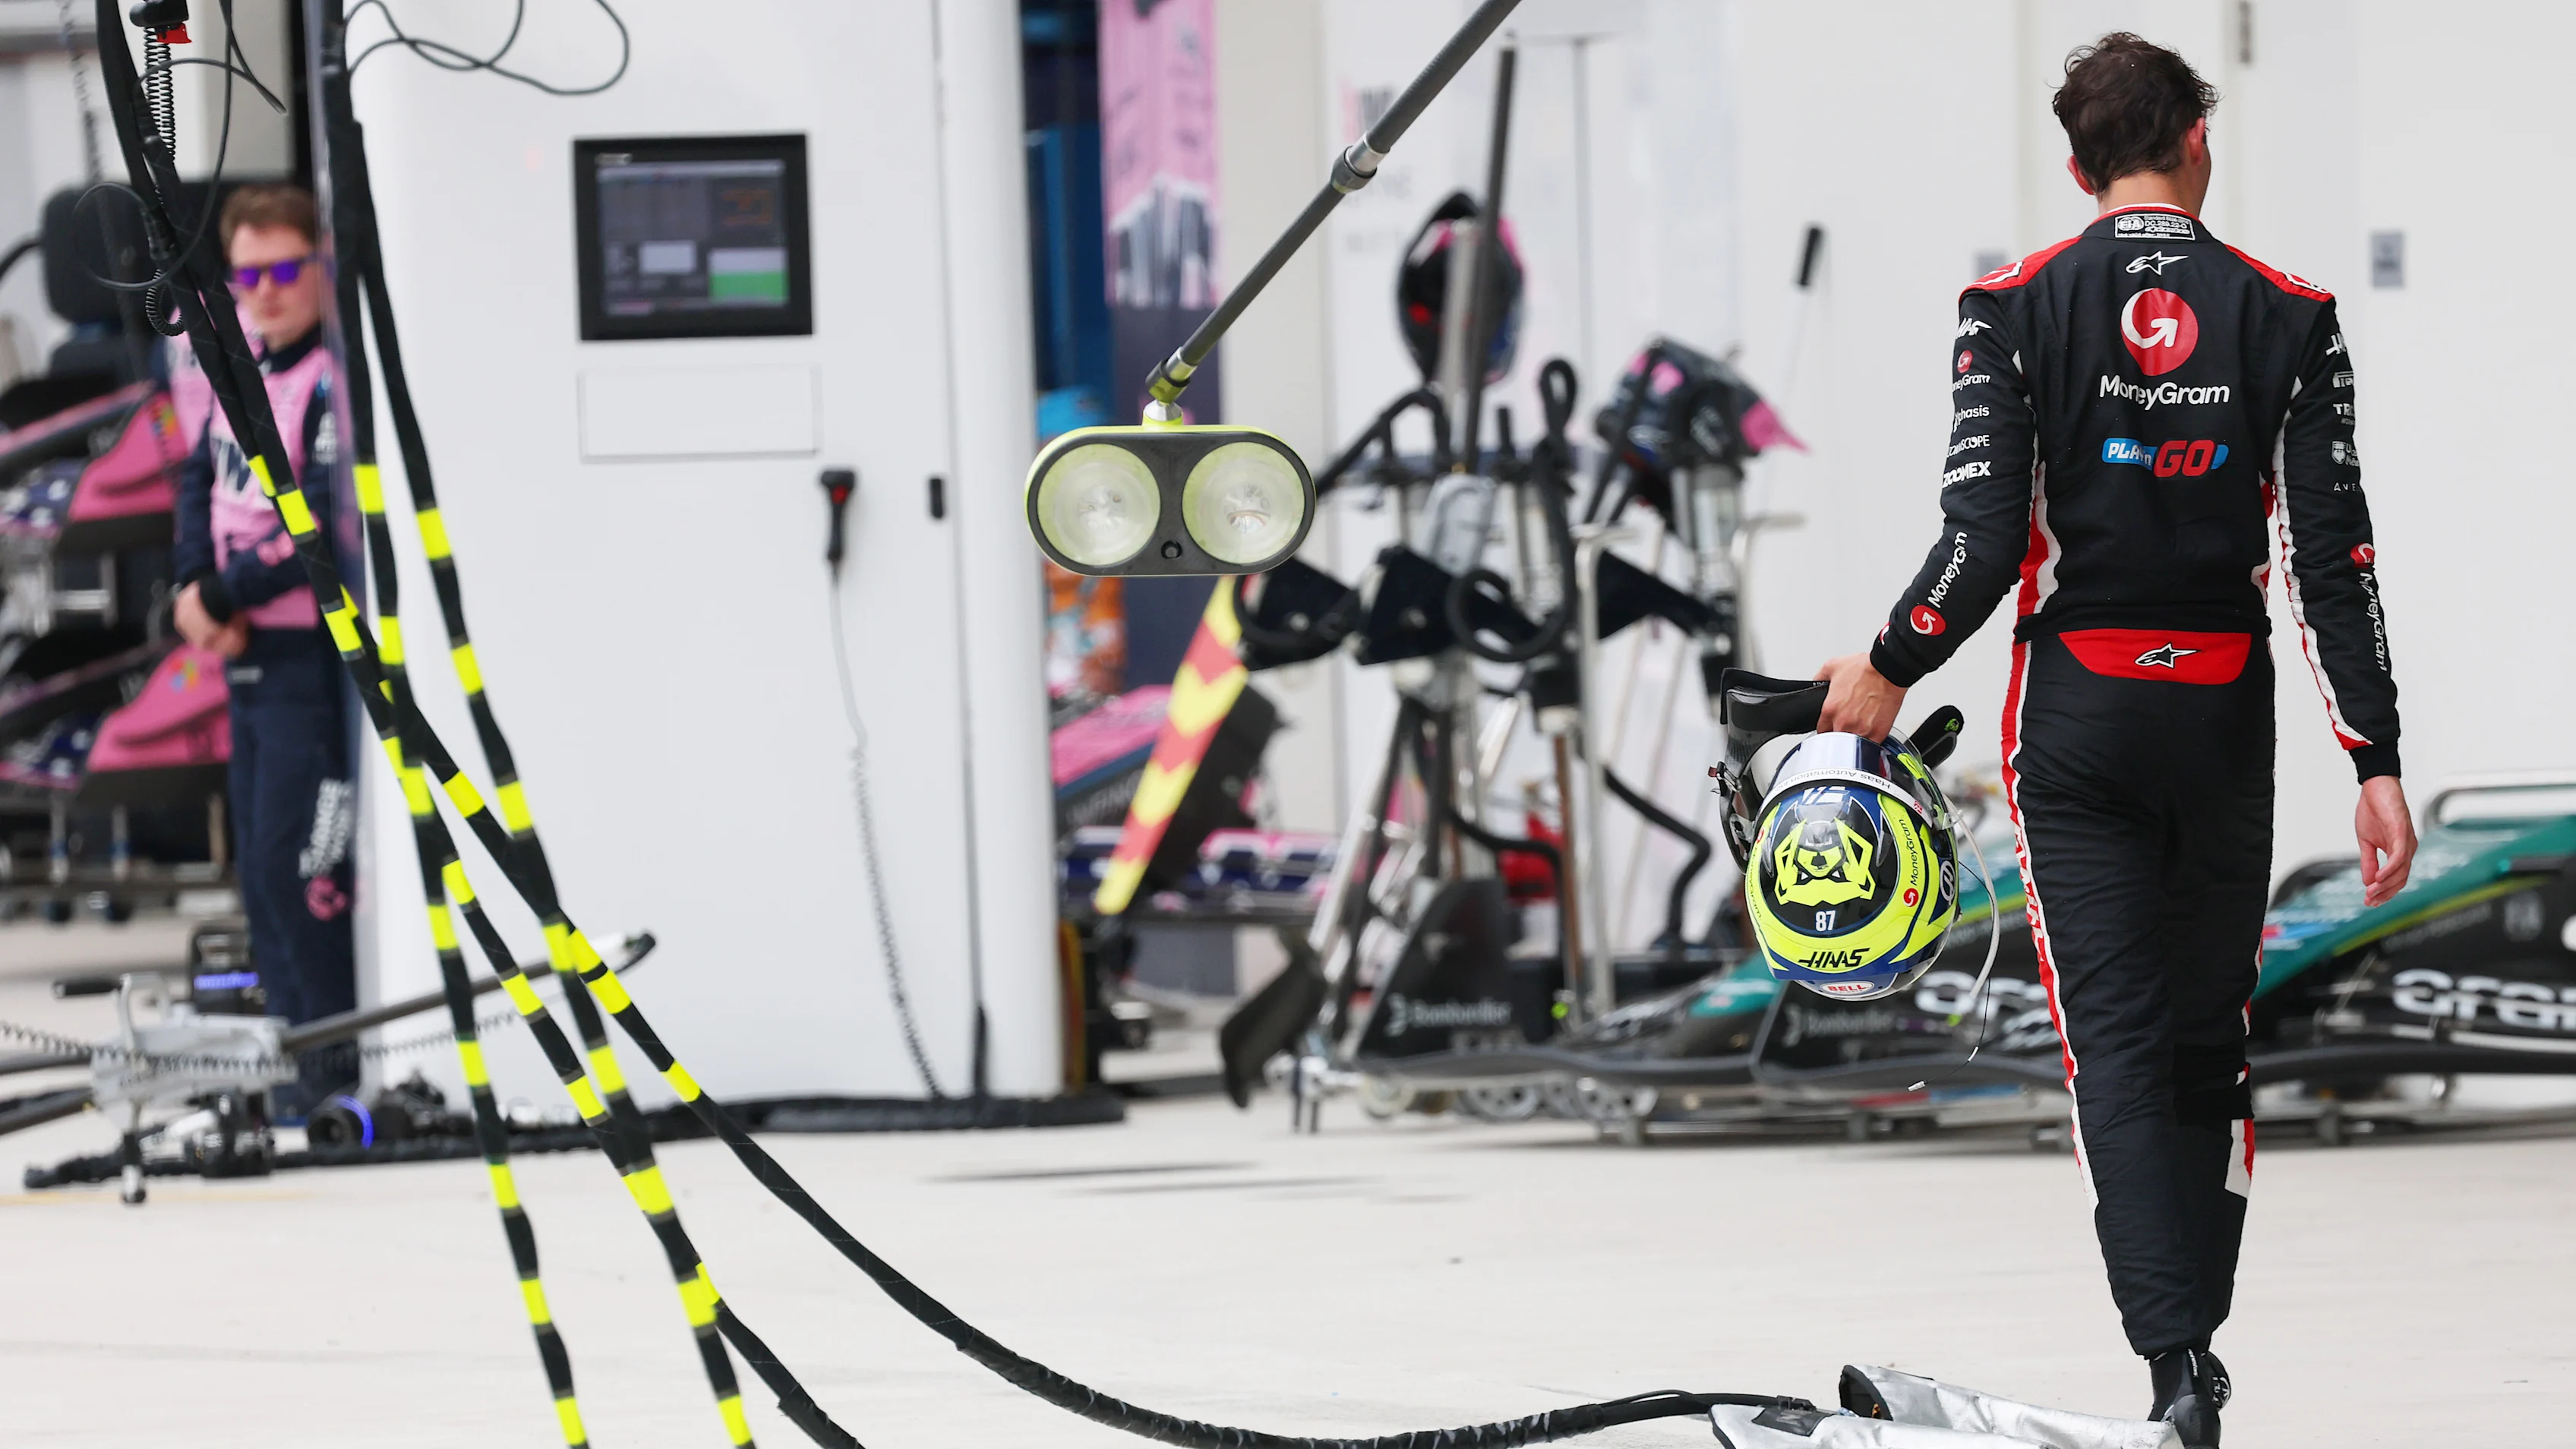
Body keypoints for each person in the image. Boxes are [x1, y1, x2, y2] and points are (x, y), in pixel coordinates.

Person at [1810, 35, 2413, 1447]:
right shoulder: (2292, 312)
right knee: (2210, 1038)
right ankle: (2194, 1360)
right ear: (2199, 139)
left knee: (2118, 1047)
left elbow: (1976, 545)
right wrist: (2372, 755)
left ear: (2079, 168)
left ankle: (2172, 1358)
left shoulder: (2009, 306)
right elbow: (2336, 561)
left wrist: (1889, 664)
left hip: (2073, 717)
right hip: (2221, 711)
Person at [169, 184, 355, 1094]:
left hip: (304, 667)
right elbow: (193, 485)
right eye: (249, 276)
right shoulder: (235, 375)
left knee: (301, 876)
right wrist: (189, 588)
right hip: (243, 664)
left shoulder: (332, 381)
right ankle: (289, 1074)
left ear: (322, 266)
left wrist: (222, 593)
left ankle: (330, 1076)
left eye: (286, 270)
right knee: (257, 880)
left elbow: (321, 526)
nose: (268, 290)